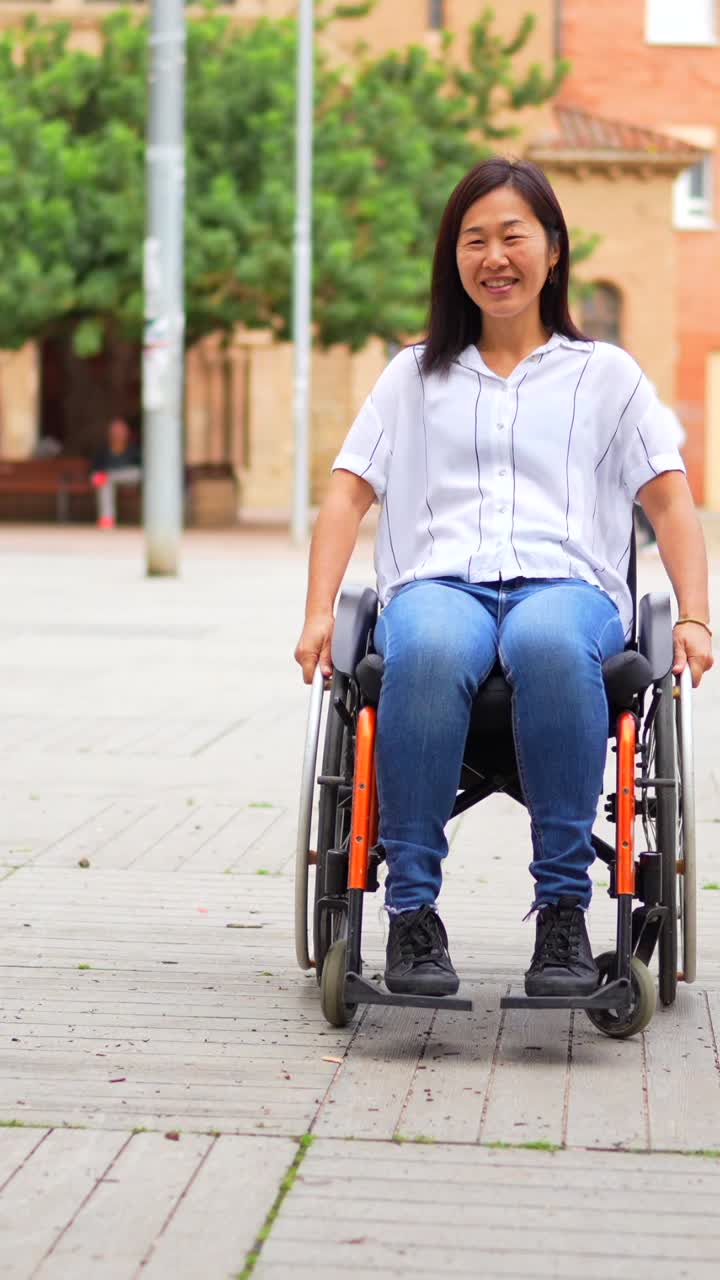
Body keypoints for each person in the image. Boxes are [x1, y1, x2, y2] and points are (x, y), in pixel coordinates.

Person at [294, 157, 713, 1000]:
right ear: (454, 258)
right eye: (474, 239)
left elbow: (671, 504)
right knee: (430, 644)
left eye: (513, 236)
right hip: (439, 586)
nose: (495, 256)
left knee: (550, 642)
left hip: (568, 589)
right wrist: (316, 615)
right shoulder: (413, 376)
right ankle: (413, 914)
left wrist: (695, 617)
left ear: (552, 251)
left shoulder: (607, 376)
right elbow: (347, 493)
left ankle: (563, 913)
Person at [91, 417, 142, 528]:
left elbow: (141, 467)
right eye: (115, 430)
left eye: (121, 430)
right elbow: (96, 469)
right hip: (108, 480)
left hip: (131, 479)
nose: (118, 433)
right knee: (104, 481)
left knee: (137, 473)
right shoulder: (103, 449)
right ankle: (107, 519)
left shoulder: (134, 448)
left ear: (127, 432)